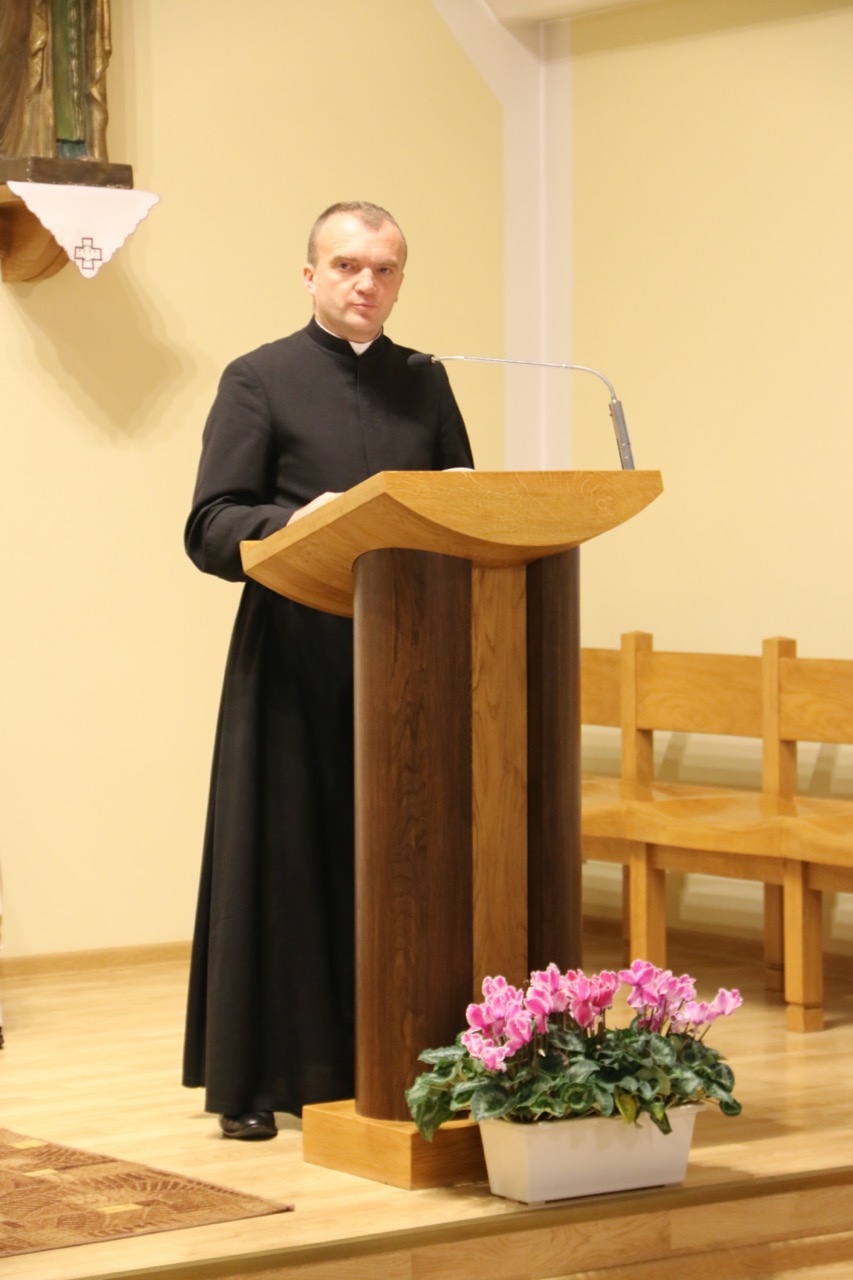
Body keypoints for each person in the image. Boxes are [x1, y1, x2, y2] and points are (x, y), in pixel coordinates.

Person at [182, 201, 474, 1140]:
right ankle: (261, 1080)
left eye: (384, 269)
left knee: (401, 866)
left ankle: (401, 1062)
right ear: (310, 275)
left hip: (411, 660)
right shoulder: (258, 377)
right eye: (347, 265)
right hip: (295, 657)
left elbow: (465, 503)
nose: (366, 284)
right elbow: (210, 524)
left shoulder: (425, 381)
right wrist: (294, 523)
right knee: (285, 860)